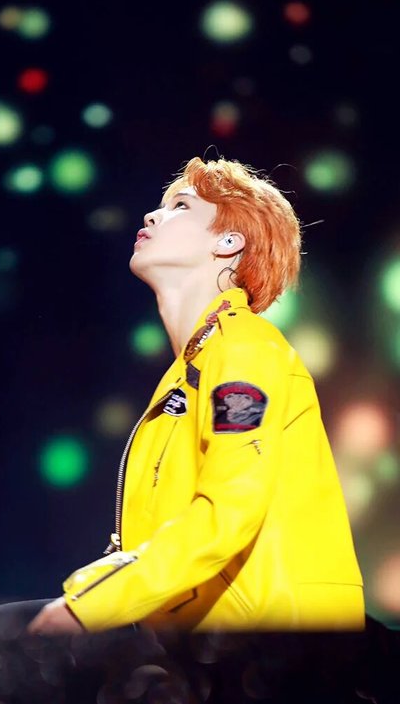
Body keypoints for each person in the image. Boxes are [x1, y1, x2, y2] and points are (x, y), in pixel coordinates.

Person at [27, 155, 365, 636]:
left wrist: (89, 605)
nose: (152, 215)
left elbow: (229, 512)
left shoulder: (245, 348)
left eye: (180, 207)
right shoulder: (186, 372)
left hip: (273, 645)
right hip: (200, 637)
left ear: (228, 243)